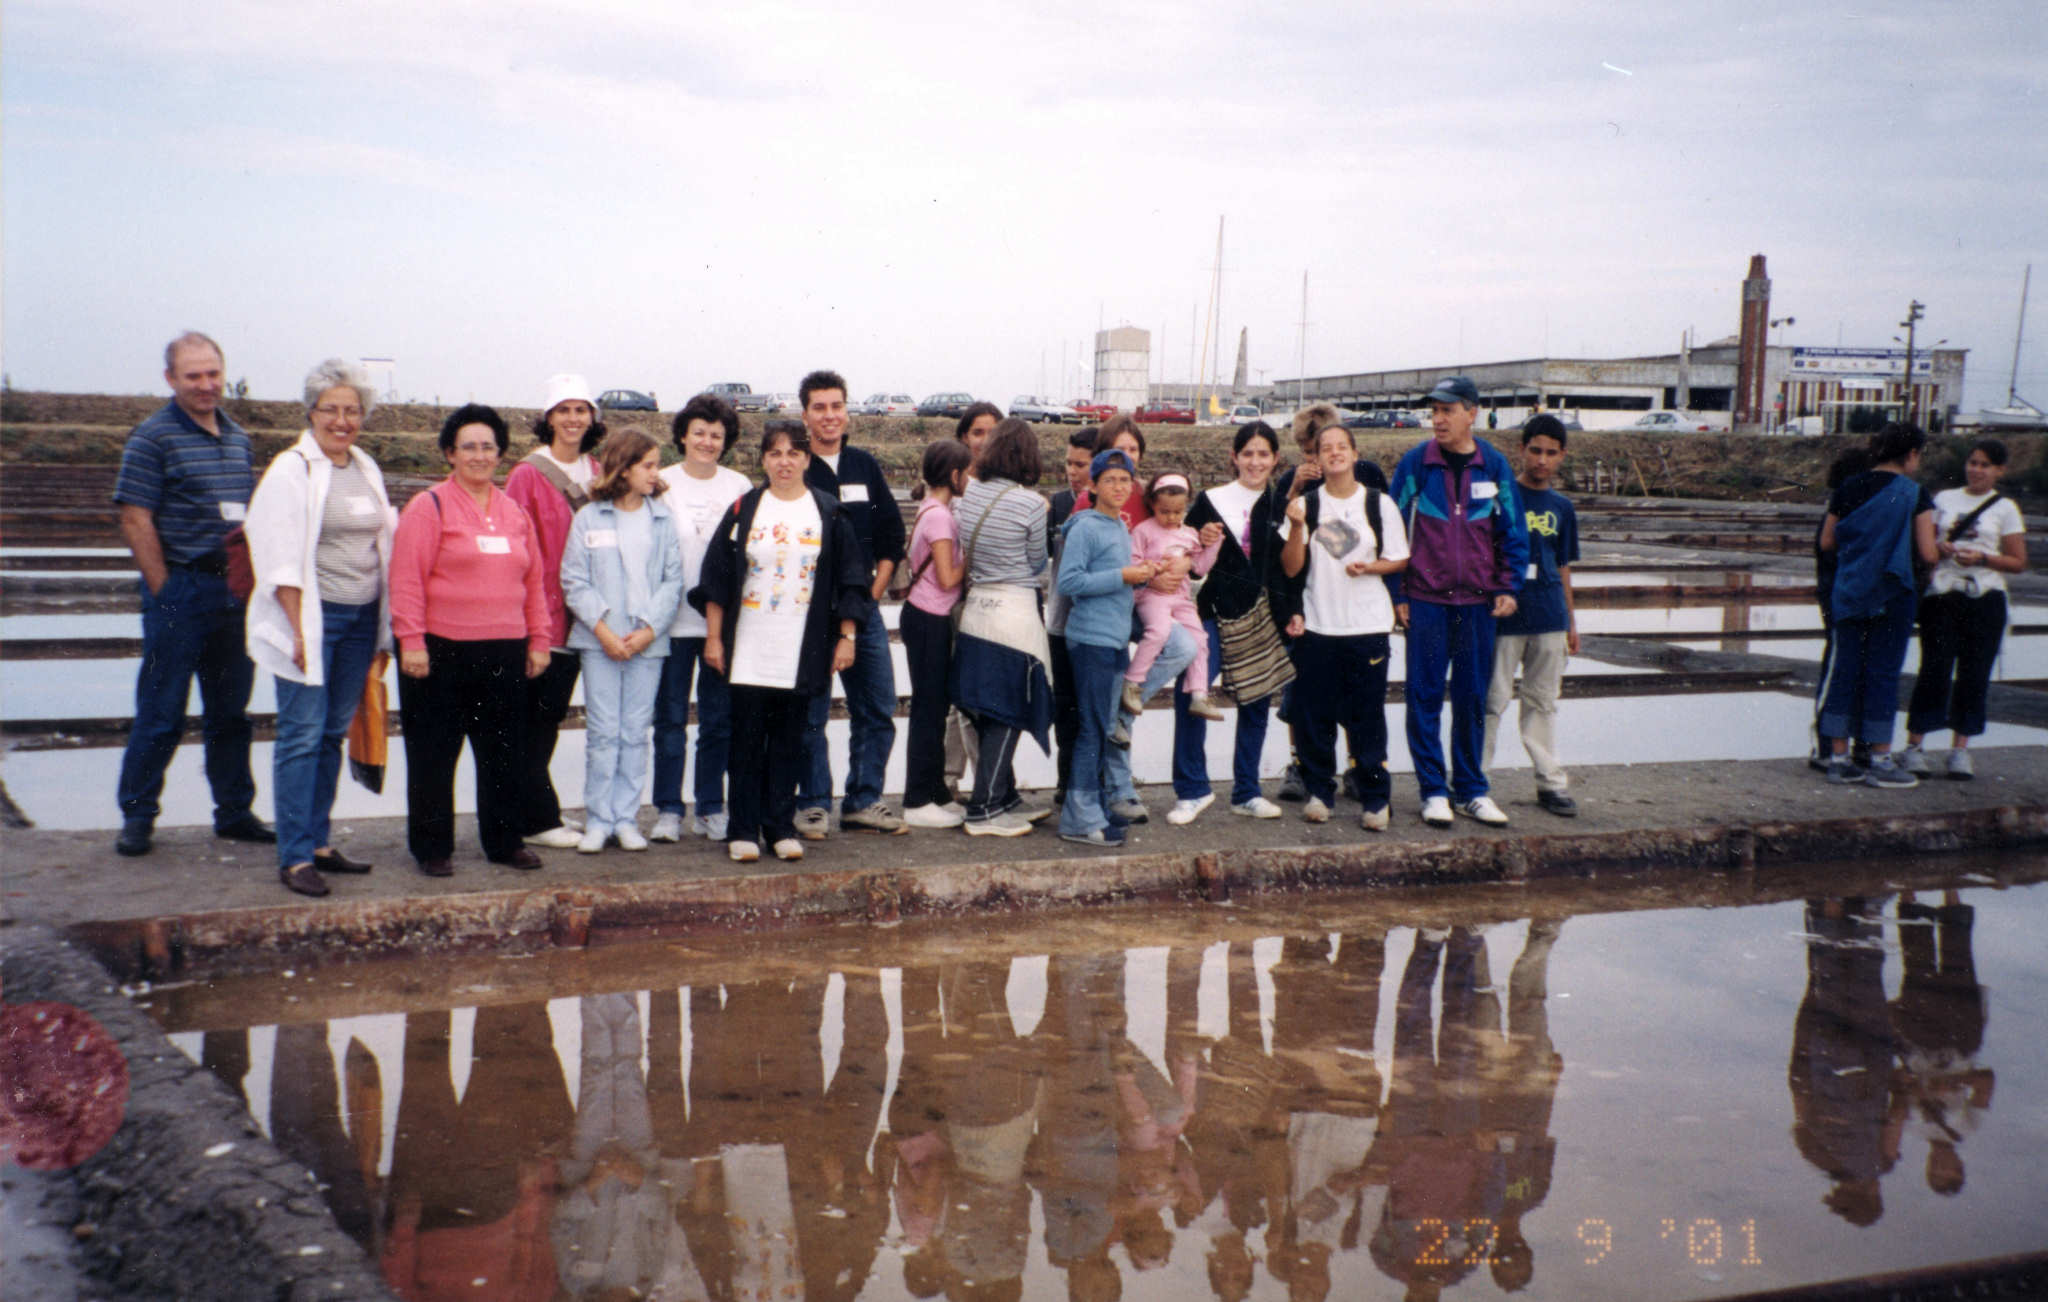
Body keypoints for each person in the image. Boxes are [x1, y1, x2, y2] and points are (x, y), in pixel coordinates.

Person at [111, 331, 272, 856]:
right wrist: (165, 592)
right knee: (162, 711)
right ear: (170, 379)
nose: (205, 384)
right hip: (181, 588)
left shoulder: (238, 438)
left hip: (232, 592)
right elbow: (135, 518)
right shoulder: (151, 438)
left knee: (231, 712)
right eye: (193, 375)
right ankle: (138, 815)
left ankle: (234, 812)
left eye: (213, 373)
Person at [242, 359, 394, 897]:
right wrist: (297, 628)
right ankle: (295, 856)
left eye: (353, 410)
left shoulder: (365, 467)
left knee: (332, 732)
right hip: (314, 618)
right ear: (311, 411)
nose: (342, 421)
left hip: (360, 620)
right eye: (331, 409)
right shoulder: (291, 469)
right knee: (302, 734)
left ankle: (319, 841)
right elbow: (277, 553)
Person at [694, 420, 873, 863]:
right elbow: (716, 578)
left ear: (807, 458)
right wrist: (714, 638)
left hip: (803, 647)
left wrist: (847, 637)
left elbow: (852, 581)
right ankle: (742, 829)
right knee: (745, 739)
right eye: (775, 453)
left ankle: (778, 826)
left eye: (793, 453)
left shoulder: (828, 511)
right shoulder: (745, 508)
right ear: (763, 460)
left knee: (791, 740)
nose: (784, 462)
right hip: (749, 646)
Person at [389, 404, 551, 877]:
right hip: (441, 650)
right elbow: (406, 580)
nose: (479, 456)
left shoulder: (515, 512)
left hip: (504, 650)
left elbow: (534, 583)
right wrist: (411, 640)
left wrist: (539, 640)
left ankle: (504, 842)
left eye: (488, 447)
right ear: (450, 453)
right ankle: (432, 847)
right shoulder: (429, 506)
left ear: (500, 454)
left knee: (504, 753)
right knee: (433, 754)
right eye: (469, 447)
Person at [1390, 375, 1529, 829]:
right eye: (1434, 411)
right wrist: (1398, 593)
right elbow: (1392, 530)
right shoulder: (1416, 463)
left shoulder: (1494, 465)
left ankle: (1471, 790)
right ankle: (1433, 791)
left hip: (1478, 604)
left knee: (1472, 697)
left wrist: (1507, 586)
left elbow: (1514, 530)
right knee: (1424, 696)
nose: (1438, 419)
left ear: (1472, 413)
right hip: (1425, 601)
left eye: (1447, 410)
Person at [793, 370, 907, 837]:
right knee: (810, 714)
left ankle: (863, 799)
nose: (829, 415)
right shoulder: (796, 468)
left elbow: (891, 538)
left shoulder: (864, 465)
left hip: (864, 611)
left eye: (836, 406)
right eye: (819, 407)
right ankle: (813, 803)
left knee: (878, 706)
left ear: (847, 411)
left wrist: (867, 601)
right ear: (805, 415)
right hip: (811, 617)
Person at [561, 430, 686, 854]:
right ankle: (599, 820)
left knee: (635, 732)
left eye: (656, 465)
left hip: (647, 644)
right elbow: (574, 580)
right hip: (600, 642)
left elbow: (672, 582)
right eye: (647, 465)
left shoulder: (663, 518)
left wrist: (648, 629)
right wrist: (604, 631)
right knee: (603, 733)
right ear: (624, 467)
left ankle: (626, 819)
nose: (655, 473)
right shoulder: (588, 518)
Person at [1281, 422, 1409, 830]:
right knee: (1314, 716)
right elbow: (1291, 568)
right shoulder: (1306, 504)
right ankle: (1320, 792)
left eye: (1342, 447)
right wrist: (1297, 526)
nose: (1335, 453)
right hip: (1319, 625)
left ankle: (1376, 799)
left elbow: (1399, 558)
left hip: (1368, 625)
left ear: (1355, 454)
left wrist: (1370, 567)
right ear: (1315, 458)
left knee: (1367, 715)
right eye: (1326, 448)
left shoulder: (1378, 503)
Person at [503, 374, 605, 851]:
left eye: (580, 409)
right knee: (537, 717)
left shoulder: (599, 469)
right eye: (563, 410)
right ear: (548, 417)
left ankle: (535, 806)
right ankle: (535, 817)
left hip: (588, 616)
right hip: (545, 617)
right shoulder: (527, 474)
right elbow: (516, 549)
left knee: (551, 714)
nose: (572, 418)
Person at [650, 394, 751, 842]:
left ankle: (710, 807)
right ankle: (668, 809)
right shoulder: (662, 483)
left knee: (718, 721)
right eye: (699, 433)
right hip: (670, 623)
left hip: (721, 626)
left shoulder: (738, 485)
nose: (707, 442)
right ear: (683, 436)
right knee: (670, 721)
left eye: (715, 435)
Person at [1816, 422, 1939, 787]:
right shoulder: (1914, 493)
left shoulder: (1848, 487)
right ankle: (1881, 759)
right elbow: (1928, 552)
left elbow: (1827, 542)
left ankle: (1839, 759)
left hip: (1850, 590)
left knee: (1846, 670)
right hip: (1892, 594)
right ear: (1912, 454)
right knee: (1883, 674)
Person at [1187, 421, 1297, 820]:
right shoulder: (1209, 500)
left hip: (1264, 617)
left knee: (1256, 702)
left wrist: (1293, 613)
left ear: (1275, 459)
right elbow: (1188, 565)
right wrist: (1200, 541)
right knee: (1193, 695)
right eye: (1247, 453)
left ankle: (1246, 793)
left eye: (1263, 454)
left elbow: (1290, 571)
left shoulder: (1284, 506)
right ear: (1234, 457)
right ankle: (1191, 790)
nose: (1255, 462)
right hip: (1213, 614)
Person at [950, 418, 1054, 836]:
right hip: (1014, 612)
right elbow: (1037, 562)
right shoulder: (1031, 504)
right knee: (1010, 709)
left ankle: (1005, 796)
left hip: (976, 608)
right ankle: (985, 809)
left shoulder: (970, 494)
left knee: (983, 707)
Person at [1901, 438, 2028, 779]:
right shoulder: (1944, 499)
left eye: (1985, 465)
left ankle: (1960, 750)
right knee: (1934, 670)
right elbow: (1925, 542)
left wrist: (1983, 558)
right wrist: (1940, 548)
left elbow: (2018, 561)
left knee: (1974, 675)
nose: (1976, 470)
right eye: (1973, 462)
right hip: (1944, 594)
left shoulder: (2006, 508)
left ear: (1999, 470)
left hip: (1985, 597)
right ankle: (1914, 746)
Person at [1057, 448, 1159, 846]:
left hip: (1114, 639)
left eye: (1125, 480)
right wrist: (1123, 575)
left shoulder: (1119, 526)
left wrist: (1142, 576)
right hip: (1091, 639)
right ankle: (1079, 820)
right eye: (1110, 480)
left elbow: (1116, 577)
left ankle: (1094, 807)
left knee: (1100, 728)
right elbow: (1070, 582)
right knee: (1093, 728)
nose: (1119, 487)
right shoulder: (1086, 527)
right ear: (1094, 485)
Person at [1484, 414, 1581, 817]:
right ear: (1521, 450)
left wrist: (1571, 622)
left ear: (1562, 456)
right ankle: (1475, 782)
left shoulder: (1562, 507)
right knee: (1491, 701)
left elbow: (1563, 566)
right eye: (1536, 451)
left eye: (1551, 453)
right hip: (1505, 619)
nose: (1542, 460)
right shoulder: (1501, 500)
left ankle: (1550, 783)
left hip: (1549, 617)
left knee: (1542, 703)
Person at [900, 440, 972, 829]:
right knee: (928, 710)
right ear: (955, 475)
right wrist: (972, 557)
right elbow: (947, 578)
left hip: (925, 615)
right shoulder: (941, 517)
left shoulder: (929, 508)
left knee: (935, 707)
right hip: (930, 617)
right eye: (968, 473)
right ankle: (916, 799)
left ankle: (937, 792)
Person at [1124, 474, 1225, 723]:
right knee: (1158, 632)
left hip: (1181, 598)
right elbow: (1133, 563)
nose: (1171, 518)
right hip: (1151, 596)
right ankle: (1132, 682)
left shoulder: (1189, 534)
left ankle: (1199, 694)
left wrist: (1214, 544)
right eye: (1164, 512)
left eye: (1178, 512)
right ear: (1152, 505)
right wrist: (1153, 571)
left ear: (1186, 506)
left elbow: (1200, 567)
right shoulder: (1143, 531)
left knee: (1200, 639)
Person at [1810, 446, 1877, 772]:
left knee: (1855, 668)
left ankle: (1854, 745)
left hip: (1844, 595)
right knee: (1842, 666)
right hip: (1842, 597)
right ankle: (1827, 745)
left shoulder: (1843, 506)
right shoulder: (1842, 510)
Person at [1046, 426, 1099, 807]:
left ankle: (1095, 783)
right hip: (1060, 622)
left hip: (1096, 625)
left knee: (1094, 710)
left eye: (1081, 464)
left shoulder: (1109, 505)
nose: (1072, 471)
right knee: (1064, 708)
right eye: (1068, 463)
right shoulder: (1058, 503)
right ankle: (1065, 784)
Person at [1098, 414, 1152, 528]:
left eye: (1133, 449)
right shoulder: (1090, 497)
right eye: (1119, 449)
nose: (1127, 456)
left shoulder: (1149, 496)